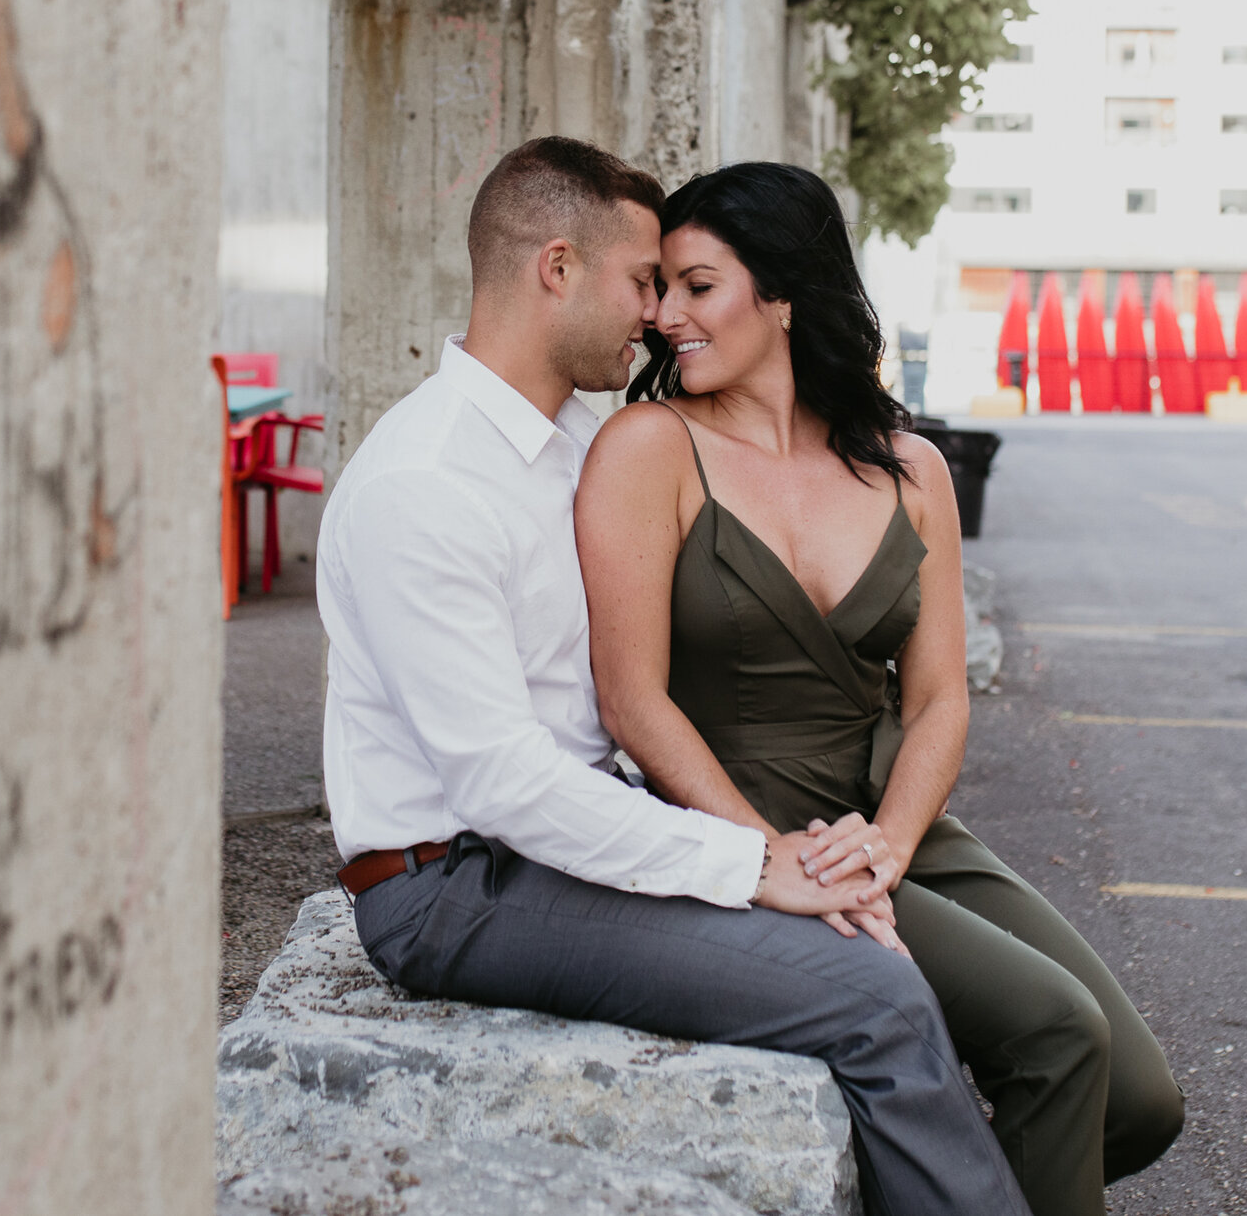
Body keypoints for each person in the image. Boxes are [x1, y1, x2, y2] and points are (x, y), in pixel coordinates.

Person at [319, 137, 1029, 1216]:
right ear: (557, 266)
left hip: (551, 849)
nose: (656, 313)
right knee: (875, 997)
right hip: (451, 885)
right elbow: (503, 781)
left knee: (948, 992)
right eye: (645, 279)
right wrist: (752, 862)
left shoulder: (564, 446)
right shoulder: (426, 481)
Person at [576, 162, 1183, 1216]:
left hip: (893, 827)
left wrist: (892, 845)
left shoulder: (910, 469)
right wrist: (775, 859)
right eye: (660, 286)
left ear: (782, 295)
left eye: (696, 285)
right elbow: (633, 702)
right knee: (1055, 1032)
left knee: (1140, 1100)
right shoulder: (649, 448)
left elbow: (940, 696)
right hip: (763, 827)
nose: (662, 314)